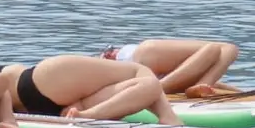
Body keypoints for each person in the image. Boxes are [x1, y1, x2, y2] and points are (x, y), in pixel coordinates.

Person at [0, 55, 183, 126]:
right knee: (139, 69)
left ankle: (85, 116)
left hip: (54, 105)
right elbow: (140, 70)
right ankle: (170, 119)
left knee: (149, 85)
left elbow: (150, 85)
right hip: (40, 80)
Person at [97, 38, 240, 95]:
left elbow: (191, 73)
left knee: (221, 50)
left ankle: (200, 86)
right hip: (143, 56)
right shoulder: (126, 55)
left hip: (146, 69)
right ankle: (199, 85)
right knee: (223, 48)